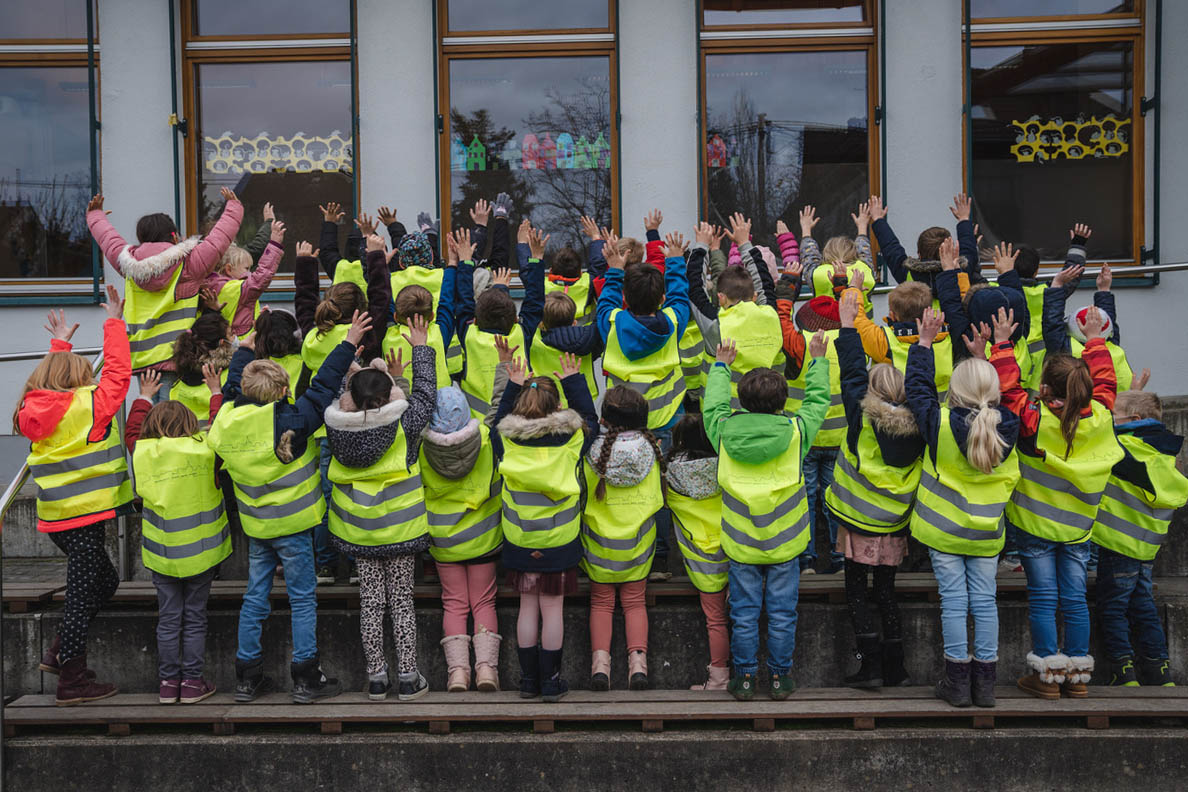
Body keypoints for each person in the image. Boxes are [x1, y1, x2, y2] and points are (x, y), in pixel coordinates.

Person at [209, 308, 372, 704]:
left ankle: (247, 677)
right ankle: (305, 677)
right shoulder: (295, 420)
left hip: (258, 527)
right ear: (283, 392)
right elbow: (323, 386)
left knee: (255, 596)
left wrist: (243, 351)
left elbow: (231, 389)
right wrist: (349, 341)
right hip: (296, 527)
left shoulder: (228, 420)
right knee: (302, 599)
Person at [995, 298, 1123, 699]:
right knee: (1075, 600)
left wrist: (1001, 345)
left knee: (1045, 599)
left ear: (1045, 388)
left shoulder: (1034, 419)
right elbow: (1106, 383)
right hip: (1078, 528)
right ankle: (1078, 676)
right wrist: (1096, 340)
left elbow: (1007, 390)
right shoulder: (1101, 415)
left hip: (1034, 525)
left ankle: (1048, 675)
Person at [705, 329, 831, 701]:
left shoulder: (724, 431)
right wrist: (819, 360)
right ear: (782, 402)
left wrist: (720, 368)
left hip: (741, 543)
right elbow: (817, 402)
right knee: (782, 614)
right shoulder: (795, 431)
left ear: (741, 401)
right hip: (785, 543)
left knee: (743, 614)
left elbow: (711, 408)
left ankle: (744, 678)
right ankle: (779, 678)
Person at [21, 289, 131, 705]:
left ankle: (60, 650)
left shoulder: (34, 407)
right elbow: (119, 372)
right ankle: (72, 679)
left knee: (106, 580)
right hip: (85, 517)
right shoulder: (90, 405)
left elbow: (54, 378)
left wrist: (59, 345)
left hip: (57, 520)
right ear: (78, 378)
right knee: (85, 592)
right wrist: (114, 322)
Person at [906, 305, 1020, 708]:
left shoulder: (938, 422)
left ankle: (957, 682)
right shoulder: (1009, 425)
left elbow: (917, 389)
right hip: (987, 532)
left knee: (954, 601)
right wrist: (985, 357)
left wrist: (923, 343)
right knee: (985, 601)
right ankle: (985, 685)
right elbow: (986, 396)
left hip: (943, 530)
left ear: (954, 391)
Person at [323, 315, 436, 702]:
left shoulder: (337, 427)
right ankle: (407, 678)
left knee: (371, 604)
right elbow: (425, 395)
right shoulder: (403, 425)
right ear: (390, 395)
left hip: (359, 531)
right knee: (401, 602)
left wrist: (347, 355)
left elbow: (336, 389)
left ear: (349, 397)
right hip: (401, 532)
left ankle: (376, 679)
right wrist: (420, 347)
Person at [826, 290, 924, 689]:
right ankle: (896, 666)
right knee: (886, 592)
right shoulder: (922, 423)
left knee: (856, 591)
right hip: (895, 524)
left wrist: (848, 325)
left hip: (858, 521)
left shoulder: (862, 418)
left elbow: (851, 372)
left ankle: (869, 665)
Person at [492, 347, 598, 703]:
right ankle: (551, 681)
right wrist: (574, 381)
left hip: (520, 538)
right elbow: (591, 422)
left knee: (527, 608)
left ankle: (527, 681)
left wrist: (512, 383)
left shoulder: (506, 440)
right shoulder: (573, 440)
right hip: (560, 538)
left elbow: (497, 421)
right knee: (553, 610)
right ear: (556, 407)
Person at [126, 370, 228, 705]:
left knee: (169, 619)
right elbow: (220, 425)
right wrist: (215, 390)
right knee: (195, 618)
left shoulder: (141, 450)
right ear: (189, 425)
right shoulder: (206, 448)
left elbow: (130, 430)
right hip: (201, 553)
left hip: (162, 554)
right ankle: (193, 683)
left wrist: (143, 396)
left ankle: (169, 685)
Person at [597, 227, 691, 582]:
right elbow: (680, 298)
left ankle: (629, 555)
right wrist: (677, 261)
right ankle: (661, 562)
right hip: (666, 420)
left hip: (622, 426)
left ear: (624, 295)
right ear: (661, 296)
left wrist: (615, 268)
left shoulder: (610, 322)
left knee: (628, 487)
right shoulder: (672, 321)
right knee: (662, 489)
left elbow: (606, 300)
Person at [295, 238, 387, 584]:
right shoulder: (366, 333)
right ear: (359, 312)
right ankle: (356, 560)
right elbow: (381, 297)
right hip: (358, 428)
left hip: (322, 432)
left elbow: (304, 303)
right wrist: (376, 255)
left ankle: (325, 564)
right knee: (357, 494)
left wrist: (304, 263)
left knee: (325, 495)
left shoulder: (313, 335)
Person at [87, 189, 242, 381]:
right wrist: (233, 207)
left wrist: (95, 215)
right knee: (173, 410)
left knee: (149, 410)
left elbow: (108, 239)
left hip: (143, 359)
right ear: (174, 237)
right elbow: (219, 239)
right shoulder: (189, 264)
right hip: (180, 356)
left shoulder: (127, 263)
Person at [1092, 389, 1188, 687]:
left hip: (1117, 547)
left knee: (1112, 608)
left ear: (1133, 419)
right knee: (1144, 608)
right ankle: (1160, 672)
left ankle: (1124, 671)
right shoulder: (1164, 453)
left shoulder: (1122, 448)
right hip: (1146, 549)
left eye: (1113, 412)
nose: (1108, 416)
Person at [420, 385, 504, 693]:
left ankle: (458, 673)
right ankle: (486, 669)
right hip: (484, 537)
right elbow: (498, 409)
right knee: (483, 601)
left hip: (444, 541)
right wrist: (503, 372)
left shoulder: (421, 447)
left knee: (454, 604)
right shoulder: (485, 439)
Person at [583, 386, 665, 691]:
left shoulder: (590, 450)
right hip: (638, 547)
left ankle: (600, 667)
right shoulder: (651, 449)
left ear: (604, 419)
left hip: (598, 547)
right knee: (634, 602)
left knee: (601, 603)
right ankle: (638, 666)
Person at [685, 217, 781, 411]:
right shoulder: (770, 315)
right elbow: (764, 281)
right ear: (754, 296)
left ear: (721, 298)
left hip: (723, 420)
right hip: (769, 413)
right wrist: (745, 243)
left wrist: (702, 246)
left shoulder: (716, 324)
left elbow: (694, 287)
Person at [666, 414, 730, 691]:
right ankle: (748, 674)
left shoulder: (672, 473)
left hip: (700, 560)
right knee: (743, 616)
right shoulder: (728, 466)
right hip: (736, 551)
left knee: (715, 621)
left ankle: (718, 678)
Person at [457, 219, 545, 418]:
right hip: (518, 419)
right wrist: (536, 257)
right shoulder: (520, 335)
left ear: (476, 320)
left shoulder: (469, 335)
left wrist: (465, 262)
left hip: (475, 426)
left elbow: (463, 299)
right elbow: (536, 300)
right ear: (516, 319)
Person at [867, 193, 979, 295]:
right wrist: (964, 219)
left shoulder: (908, 275)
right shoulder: (962, 273)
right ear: (949, 251)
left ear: (919, 254)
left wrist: (878, 220)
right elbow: (968, 248)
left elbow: (891, 248)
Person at [205, 220, 285, 339]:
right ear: (229, 269)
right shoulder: (233, 288)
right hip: (242, 342)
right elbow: (260, 279)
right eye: (246, 268)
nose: (249, 273)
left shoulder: (212, 284)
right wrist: (274, 246)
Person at [798, 204, 876, 317]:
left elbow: (809, 254)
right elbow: (865, 252)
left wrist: (806, 229)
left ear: (826, 253)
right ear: (855, 252)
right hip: (862, 332)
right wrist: (862, 227)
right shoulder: (865, 270)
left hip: (825, 333)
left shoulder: (817, 274)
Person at [166, 312, 234, 427]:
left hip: (183, 442)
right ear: (222, 343)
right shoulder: (230, 374)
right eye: (231, 334)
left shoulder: (182, 373)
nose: (234, 338)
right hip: (213, 439)